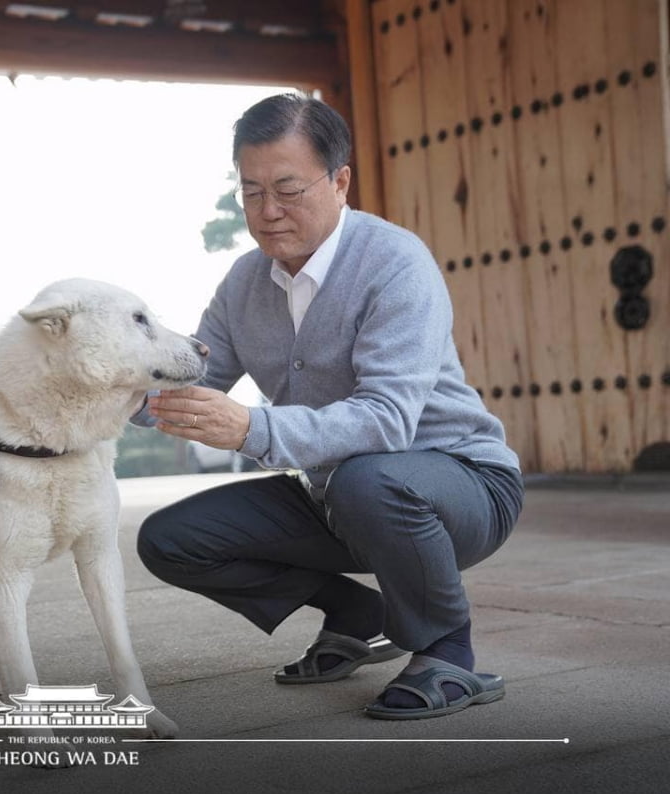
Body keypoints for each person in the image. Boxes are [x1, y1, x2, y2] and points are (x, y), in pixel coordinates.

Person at [134, 93, 524, 719]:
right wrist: (106, 377)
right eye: (251, 191)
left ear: (341, 181)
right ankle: (355, 612)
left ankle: (450, 653)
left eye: (287, 188)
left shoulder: (395, 262)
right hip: (337, 497)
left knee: (369, 479)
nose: (267, 212)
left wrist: (253, 427)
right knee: (171, 539)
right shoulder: (242, 282)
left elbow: (388, 420)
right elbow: (188, 383)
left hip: (461, 486)